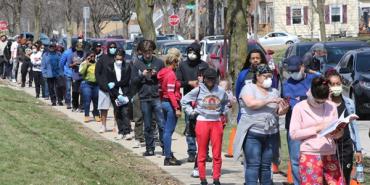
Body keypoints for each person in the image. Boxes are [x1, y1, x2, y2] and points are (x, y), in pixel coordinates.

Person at [233, 64, 289, 185]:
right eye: (266, 76)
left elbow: (277, 111)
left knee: (266, 165)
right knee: (253, 164)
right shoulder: (248, 88)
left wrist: (283, 109)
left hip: (270, 134)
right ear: (257, 76)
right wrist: (269, 100)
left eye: (271, 76)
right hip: (253, 133)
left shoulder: (274, 91)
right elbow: (251, 104)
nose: (269, 79)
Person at [290, 76, 344, 185]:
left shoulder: (331, 106)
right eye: (318, 102)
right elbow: (294, 134)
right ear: (311, 93)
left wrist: (338, 132)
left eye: (323, 102)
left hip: (330, 152)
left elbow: (336, 133)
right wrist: (317, 128)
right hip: (310, 154)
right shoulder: (299, 107)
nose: (320, 104)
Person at [181, 68, 229, 185]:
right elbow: (184, 100)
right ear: (204, 78)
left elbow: (226, 103)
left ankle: (216, 178)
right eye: (208, 78)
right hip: (202, 122)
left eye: (213, 79)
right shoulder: (198, 90)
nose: (210, 81)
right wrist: (191, 112)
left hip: (216, 122)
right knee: (202, 152)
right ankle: (203, 178)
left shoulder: (221, 91)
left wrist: (223, 113)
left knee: (217, 153)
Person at [281, 56, 318, 185]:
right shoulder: (285, 84)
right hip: (293, 127)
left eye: (295, 70)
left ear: (302, 66)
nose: (293, 74)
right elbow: (282, 106)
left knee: (313, 157)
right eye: (290, 71)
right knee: (296, 159)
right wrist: (282, 109)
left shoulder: (313, 80)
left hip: (312, 126)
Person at [325, 69, 363, 185]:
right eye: (333, 84)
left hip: (346, 146)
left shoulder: (349, 103)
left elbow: (353, 126)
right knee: (330, 179)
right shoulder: (324, 104)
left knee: (344, 177)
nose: (336, 87)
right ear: (327, 86)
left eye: (338, 84)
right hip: (328, 146)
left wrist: (358, 149)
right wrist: (328, 101)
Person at [176, 42, 209, 163]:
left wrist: (202, 82)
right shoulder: (182, 65)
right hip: (189, 100)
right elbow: (178, 81)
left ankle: (205, 152)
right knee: (190, 126)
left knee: (204, 127)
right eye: (189, 52)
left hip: (203, 100)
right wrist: (189, 83)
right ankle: (191, 152)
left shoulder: (204, 65)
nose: (192, 55)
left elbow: (211, 80)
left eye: (194, 52)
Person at [131, 39, 165, 156]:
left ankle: (165, 146)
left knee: (161, 123)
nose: (147, 54)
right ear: (141, 52)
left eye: (149, 51)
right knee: (148, 124)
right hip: (144, 97)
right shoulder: (137, 63)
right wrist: (142, 75)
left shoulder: (159, 63)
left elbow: (165, 78)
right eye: (145, 52)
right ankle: (149, 148)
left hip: (157, 96)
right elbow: (133, 81)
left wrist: (157, 75)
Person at [157, 48, 182, 166]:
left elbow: (162, 89)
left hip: (164, 102)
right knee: (168, 131)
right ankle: (167, 157)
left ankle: (168, 153)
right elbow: (171, 92)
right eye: (177, 63)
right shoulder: (171, 75)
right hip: (171, 104)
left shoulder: (163, 72)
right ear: (174, 62)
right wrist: (176, 107)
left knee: (167, 130)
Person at [106, 50, 133, 140]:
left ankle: (127, 131)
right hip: (114, 93)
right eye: (117, 59)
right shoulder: (109, 67)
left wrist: (116, 84)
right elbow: (109, 82)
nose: (119, 61)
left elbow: (126, 81)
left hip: (124, 92)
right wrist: (117, 94)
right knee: (118, 112)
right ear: (114, 58)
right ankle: (121, 131)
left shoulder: (127, 67)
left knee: (125, 112)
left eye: (120, 59)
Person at [95, 42, 117, 133]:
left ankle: (116, 125)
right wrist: (102, 85)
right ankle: (103, 125)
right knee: (104, 108)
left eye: (114, 47)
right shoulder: (102, 59)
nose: (113, 49)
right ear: (108, 48)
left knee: (117, 108)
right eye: (111, 47)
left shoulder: (118, 59)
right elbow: (97, 73)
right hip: (104, 88)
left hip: (115, 88)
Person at [79, 51, 100, 123]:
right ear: (87, 57)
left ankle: (96, 114)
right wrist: (86, 64)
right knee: (87, 100)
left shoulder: (97, 64)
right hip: (86, 84)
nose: (92, 58)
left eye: (93, 56)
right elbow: (81, 73)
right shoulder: (83, 63)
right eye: (90, 56)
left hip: (96, 85)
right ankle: (86, 115)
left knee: (96, 101)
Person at [70, 40, 85, 112]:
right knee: (75, 92)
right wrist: (73, 64)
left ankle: (81, 107)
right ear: (76, 48)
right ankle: (74, 106)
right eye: (78, 49)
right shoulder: (72, 55)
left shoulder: (84, 55)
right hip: (75, 76)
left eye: (81, 49)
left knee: (82, 92)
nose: (79, 51)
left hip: (83, 76)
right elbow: (69, 65)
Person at [60, 43, 76, 109]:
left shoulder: (78, 52)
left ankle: (74, 103)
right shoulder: (66, 53)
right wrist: (63, 71)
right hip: (68, 74)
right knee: (68, 89)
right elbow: (61, 63)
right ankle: (68, 102)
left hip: (76, 74)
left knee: (75, 90)